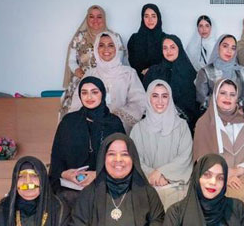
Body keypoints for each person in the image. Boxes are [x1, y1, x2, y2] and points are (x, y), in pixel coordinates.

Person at [193, 79, 244, 218]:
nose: (228, 98)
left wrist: (239, 170)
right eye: (223, 93)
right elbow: (202, 158)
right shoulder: (204, 123)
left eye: (232, 94)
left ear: (237, 99)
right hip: (215, 179)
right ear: (215, 96)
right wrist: (225, 175)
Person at [50, 77, 125, 208]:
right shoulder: (68, 121)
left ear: (102, 94)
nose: (89, 97)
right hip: (71, 186)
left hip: (106, 182)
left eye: (94, 92)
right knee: (67, 197)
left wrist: (97, 174)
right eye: (84, 93)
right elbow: (56, 156)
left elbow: (123, 158)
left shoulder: (114, 123)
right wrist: (66, 174)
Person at [130, 80, 193, 209]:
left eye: (164, 96)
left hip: (176, 187)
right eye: (155, 96)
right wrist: (153, 176)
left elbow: (185, 156)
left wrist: (163, 173)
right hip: (147, 186)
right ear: (148, 98)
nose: (160, 101)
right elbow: (135, 159)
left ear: (170, 98)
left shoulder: (181, 126)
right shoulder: (138, 129)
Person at [66, 32, 146, 133]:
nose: (106, 49)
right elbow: (78, 102)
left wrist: (115, 117)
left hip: (121, 127)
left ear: (116, 48)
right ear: (96, 49)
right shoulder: (90, 74)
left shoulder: (129, 73)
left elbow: (139, 102)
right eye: (101, 45)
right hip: (93, 126)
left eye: (111, 45)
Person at [62, 4, 125, 91]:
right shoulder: (79, 37)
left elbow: (118, 60)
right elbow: (71, 61)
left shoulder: (114, 37)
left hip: (108, 80)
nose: (95, 20)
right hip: (83, 79)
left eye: (99, 17)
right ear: (87, 19)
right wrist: (79, 72)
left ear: (104, 18)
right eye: (91, 17)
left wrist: (103, 76)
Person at [143, 34, 199, 128]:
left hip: (181, 118)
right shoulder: (154, 71)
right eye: (165, 48)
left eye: (172, 47)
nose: (168, 51)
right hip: (156, 115)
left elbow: (191, 102)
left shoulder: (190, 73)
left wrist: (173, 113)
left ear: (179, 49)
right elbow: (146, 96)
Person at [195, 34, 244, 113]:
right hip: (213, 114)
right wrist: (223, 109)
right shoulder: (206, 72)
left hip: (238, 114)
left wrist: (240, 109)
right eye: (225, 46)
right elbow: (202, 100)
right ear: (218, 47)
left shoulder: (243, 72)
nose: (229, 51)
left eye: (233, 48)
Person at [127, 3, 165, 80]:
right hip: (139, 80)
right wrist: (143, 71)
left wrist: (152, 70)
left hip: (161, 79)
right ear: (142, 18)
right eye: (146, 16)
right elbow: (132, 61)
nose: (150, 20)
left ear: (158, 18)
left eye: (153, 16)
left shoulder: (165, 39)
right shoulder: (134, 39)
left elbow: (168, 61)